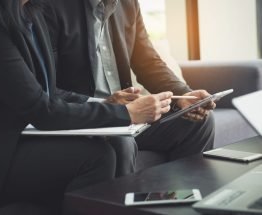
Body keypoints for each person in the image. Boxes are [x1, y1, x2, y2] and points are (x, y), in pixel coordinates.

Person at [0, 0, 173, 214]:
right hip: (5, 147)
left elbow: (51, 92)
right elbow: (40, 109)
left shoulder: (33, 14)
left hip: (31, 132)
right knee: (98, 156)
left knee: (110, 148)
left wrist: (107, 104)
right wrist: (124, 114)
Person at [44, 0, 216, 176]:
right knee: (121, 142)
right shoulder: (52, 6)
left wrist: (184, 94)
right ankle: (118, 203)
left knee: (199, 122)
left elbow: (148, 64)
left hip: (129, 116)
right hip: (86, 116)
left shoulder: (128, 4)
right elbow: (46, 88)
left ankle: (184, 198)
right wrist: (106, 105)